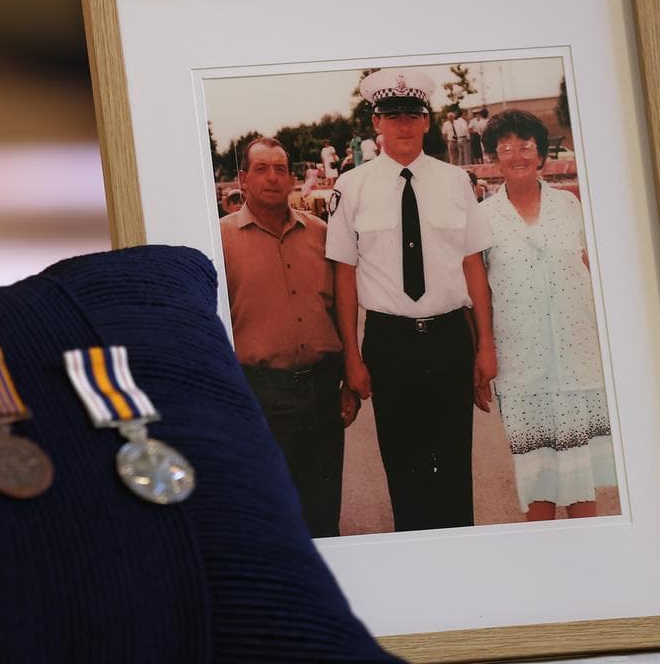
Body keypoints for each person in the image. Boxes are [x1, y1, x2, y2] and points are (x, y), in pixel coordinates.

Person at [326, 69, 497, 532]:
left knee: (454, 469)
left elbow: (473, 266)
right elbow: (344, 276)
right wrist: (352, 358)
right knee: (404, 471)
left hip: (448, 339)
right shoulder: (351, 187)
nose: (402, 124)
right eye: (391, 115)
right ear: (376, 123)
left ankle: (460, 562)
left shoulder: (455, 181)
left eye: (412, 115)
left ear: (426, 121)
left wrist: (485, 344)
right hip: (390, 343)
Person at [479, 109, 615, 521]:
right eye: (506, 147)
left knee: (580, 479)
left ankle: (587, 555)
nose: (517, 155)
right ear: (494, 157)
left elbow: (595, 269)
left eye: (526, 146)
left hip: (578, 357)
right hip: (521, 363)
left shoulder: (569, 205)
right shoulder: (483, 217)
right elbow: (478, 292)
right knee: (537, 479)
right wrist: (483, 352)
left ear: (540, 154)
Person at [221, 137, 358, 538]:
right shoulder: (220, 239)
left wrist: (348, 382)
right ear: (243, 178)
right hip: (260, 393)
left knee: (323, 514)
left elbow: (341, 313)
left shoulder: (321, 234)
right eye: (261, 169)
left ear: (292, 178)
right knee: (272, 517)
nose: (272, 178)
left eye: (280, 169)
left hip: (321, 391)